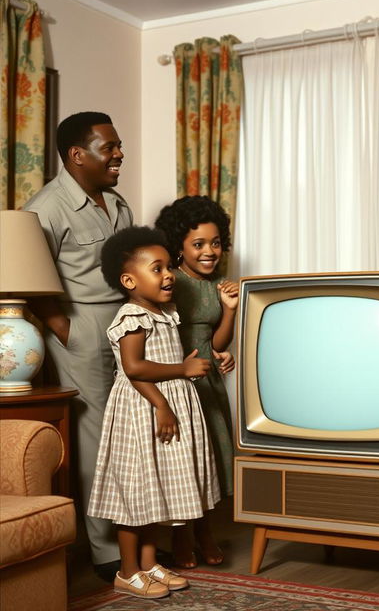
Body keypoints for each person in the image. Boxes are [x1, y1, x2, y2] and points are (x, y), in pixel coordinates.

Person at [24, 111, 133, 579]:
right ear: (76, 154)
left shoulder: (118, 202)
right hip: (82, 331)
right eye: (108, 147)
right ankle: (106, 551)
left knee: (132, 435)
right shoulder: (46, 206)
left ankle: (137, 543)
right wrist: (65, 330)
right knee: (95, 442)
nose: (118, 154)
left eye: (117, 145)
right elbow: (32, 278)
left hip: (129, 327)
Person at [88, 226, 220, 599]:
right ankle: (127, 572)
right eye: (157, 269)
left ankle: (148, 565)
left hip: (162, 406)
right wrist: (178, 377)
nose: (168, 275)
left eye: (168, 268)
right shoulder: (132, 316)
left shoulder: (165, 312)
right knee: (135, 495)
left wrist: (182, 369)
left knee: (154, 492)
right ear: (130, 280)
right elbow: (134, 368)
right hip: (142, 410)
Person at [155, 195, 237, 568]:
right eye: (198, 244)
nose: (209, 251)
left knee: (209, 461)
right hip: (177, 379)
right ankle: (183, 535)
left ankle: (204, 533)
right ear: (179, 246)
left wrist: (230, 312)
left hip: (208, 383)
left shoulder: (219, 284)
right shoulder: (170, 282)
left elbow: (217, 342)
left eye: (216, 242)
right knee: (184, 461)